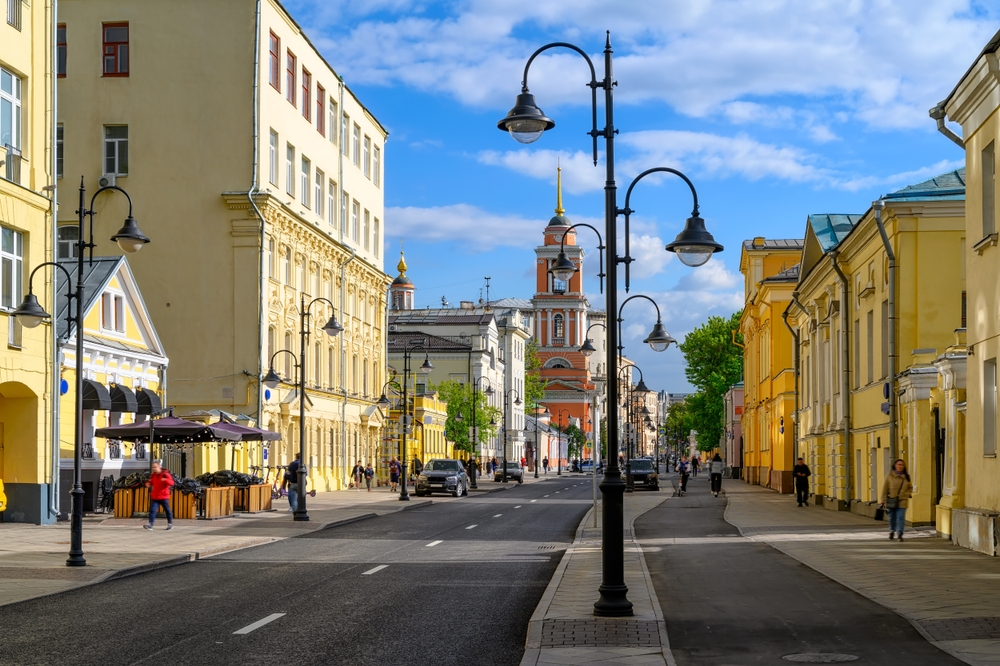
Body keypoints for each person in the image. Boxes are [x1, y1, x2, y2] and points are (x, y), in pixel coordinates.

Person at [881, 459, 913, 541]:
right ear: (895, 465)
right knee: (891, 518)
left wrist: (905, 495)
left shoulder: (906, 477)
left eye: (902, 465)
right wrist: (882, 499)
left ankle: (900, 534)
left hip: (902, 501)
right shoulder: (889, 476)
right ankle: (892, 531)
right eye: (899, 464)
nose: (900, 466)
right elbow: (885, 488)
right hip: (891, 500)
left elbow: (910, 488)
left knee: (900, 517)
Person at [143, 461, 174, 530]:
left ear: (159, 467)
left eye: (155, 467)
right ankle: (150, 525)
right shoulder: (153, 475)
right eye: (153, 467)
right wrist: (148, 484)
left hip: (164, 496)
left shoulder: (165, 474)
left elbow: (172, 483)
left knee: (167, 510)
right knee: (153, 510)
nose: (154, 469)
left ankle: (170, 524)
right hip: (155, 496)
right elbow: (151, 482)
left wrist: (165, 480)